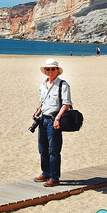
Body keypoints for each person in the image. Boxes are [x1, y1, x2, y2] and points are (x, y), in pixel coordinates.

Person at [32, 58, 72, 187]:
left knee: (54, 150)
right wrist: (37, 113)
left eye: (53, 69)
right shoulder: (42, 85)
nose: (50, 71)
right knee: (42, 148)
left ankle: (54, 177)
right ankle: (46, 173)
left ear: (57, 71)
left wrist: (58, 118)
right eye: (48, 69)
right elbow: (42, 102)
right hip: (43, 120)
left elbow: (66, 104)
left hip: (54, 121)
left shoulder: (63, 85)